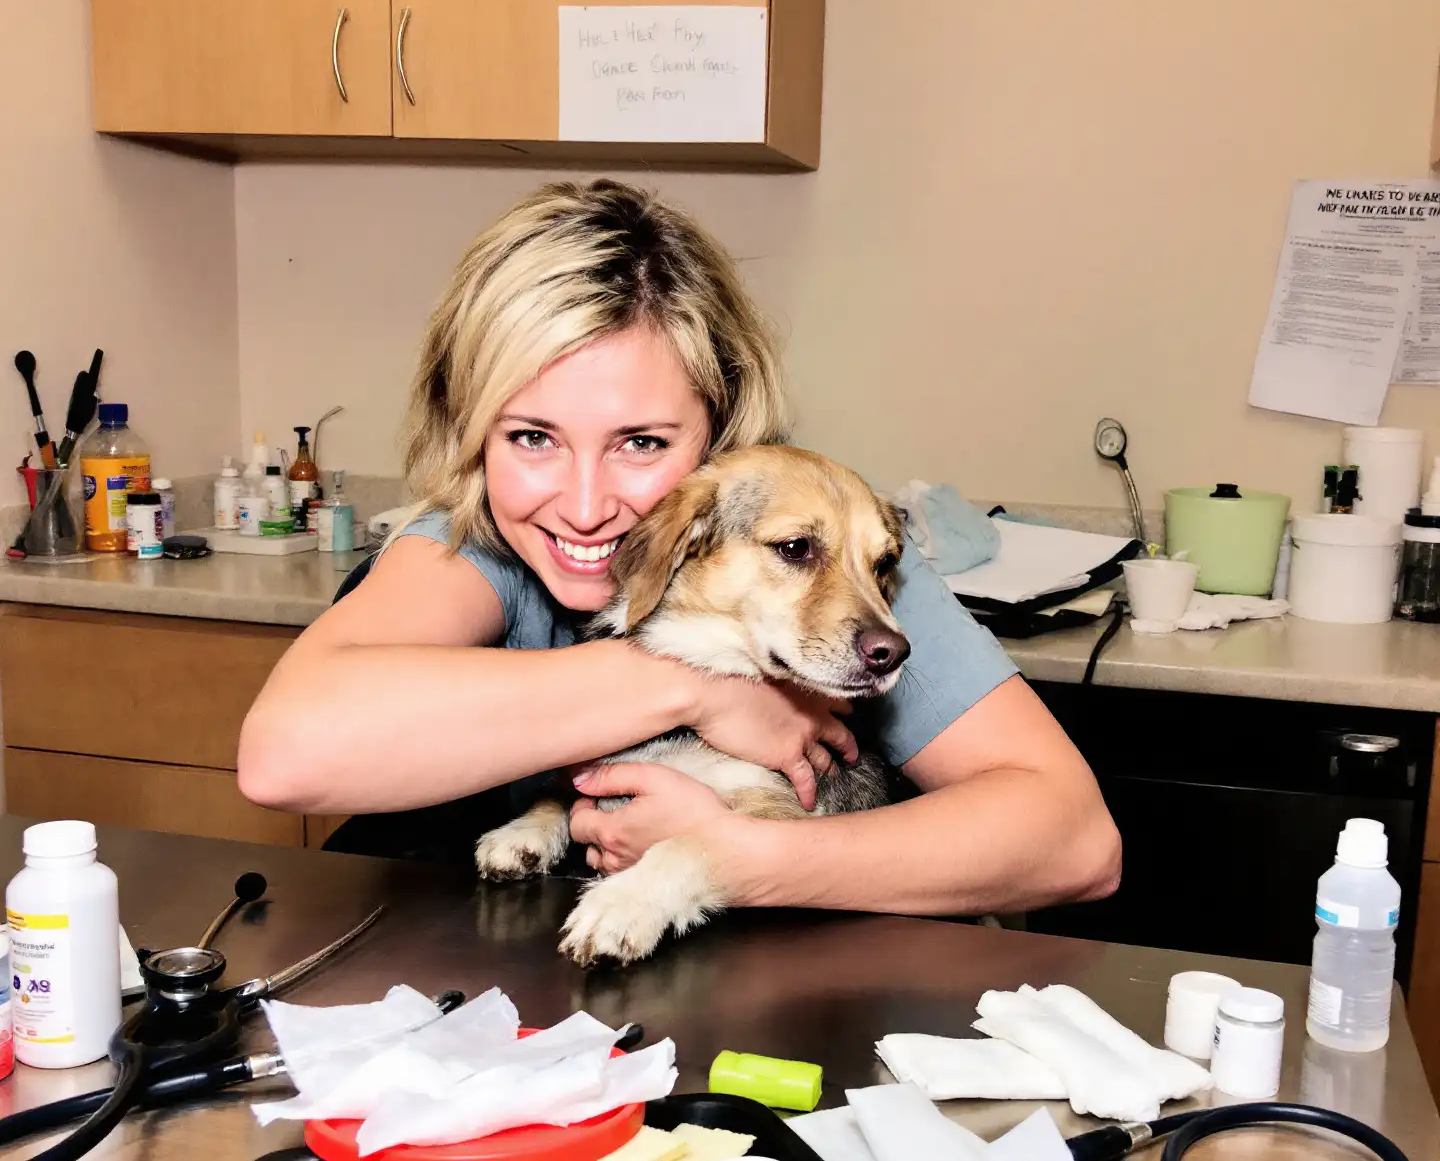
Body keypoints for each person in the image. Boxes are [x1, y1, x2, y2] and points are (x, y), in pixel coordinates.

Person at [239, 179, 1121, 918]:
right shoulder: (484, 536)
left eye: (642, 443)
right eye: (532, 437)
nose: (586, 508)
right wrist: (698, 686)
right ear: (471, 435)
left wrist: (747, 862)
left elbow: (1076, 842)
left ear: (721, 428)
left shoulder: (832, 551)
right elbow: (287, 753)